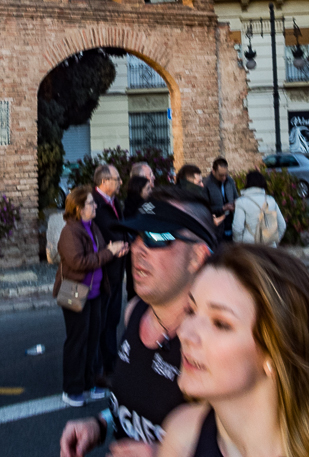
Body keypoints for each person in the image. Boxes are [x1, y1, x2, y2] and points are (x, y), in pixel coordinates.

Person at [159, 245, 309, 457]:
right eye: (190, 310)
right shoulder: (183, 436)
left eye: (220, 323)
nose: (185, 333)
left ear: (275, 351)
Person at [59, 191, 217, 457]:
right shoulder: (134, 313)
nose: (137, 248)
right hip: (75, 293)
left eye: (156, 237)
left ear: (197, 257)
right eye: (136, 235)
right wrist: (100, 424)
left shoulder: (217, 344)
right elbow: (133, 404)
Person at [55, 186, 129, 407]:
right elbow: (78, 262)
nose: (95, 205)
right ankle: (72, 388)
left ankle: (89, 383)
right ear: (78, 208)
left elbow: (100, 251)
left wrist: (114, 249)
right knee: (77, 341)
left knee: (92, 338)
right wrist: (109, 252)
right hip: (74, 291)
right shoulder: (70, 231)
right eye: (91, 203)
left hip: (95, 292)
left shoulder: (92, 226)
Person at [92, 164, 128, 388]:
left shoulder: (114, 202)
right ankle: (102, 370)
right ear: (104, 182)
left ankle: (111, 365)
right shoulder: (94, 204)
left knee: (112, 319)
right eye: (116, 179)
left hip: (116, 270)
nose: (120, 182)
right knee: (102, 322)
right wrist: (111, 248)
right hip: (103, 273)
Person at [231, 171, 285, 246]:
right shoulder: (271, 200)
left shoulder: (241, 202)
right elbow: (282, 225)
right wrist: (274, 241)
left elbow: (237, 229)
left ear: (247, 183)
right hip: (269, 246)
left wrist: (239, 245)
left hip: (250, 247)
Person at [124, 174, 153, 301]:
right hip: (137, 252)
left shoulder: (140, 205)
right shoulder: (140, 207)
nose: (150, 191)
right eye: (147, 189)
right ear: (139, 190)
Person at [202, 158, 239, 243]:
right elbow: (205, 208)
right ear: (213, 171)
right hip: (216, 228)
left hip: (231, 222)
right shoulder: (206, 184)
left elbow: (236, 197)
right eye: (221, 175)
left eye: (226, 174)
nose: (224, 177)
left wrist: (236, 204)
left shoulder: (230, 181)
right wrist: (222, 208)